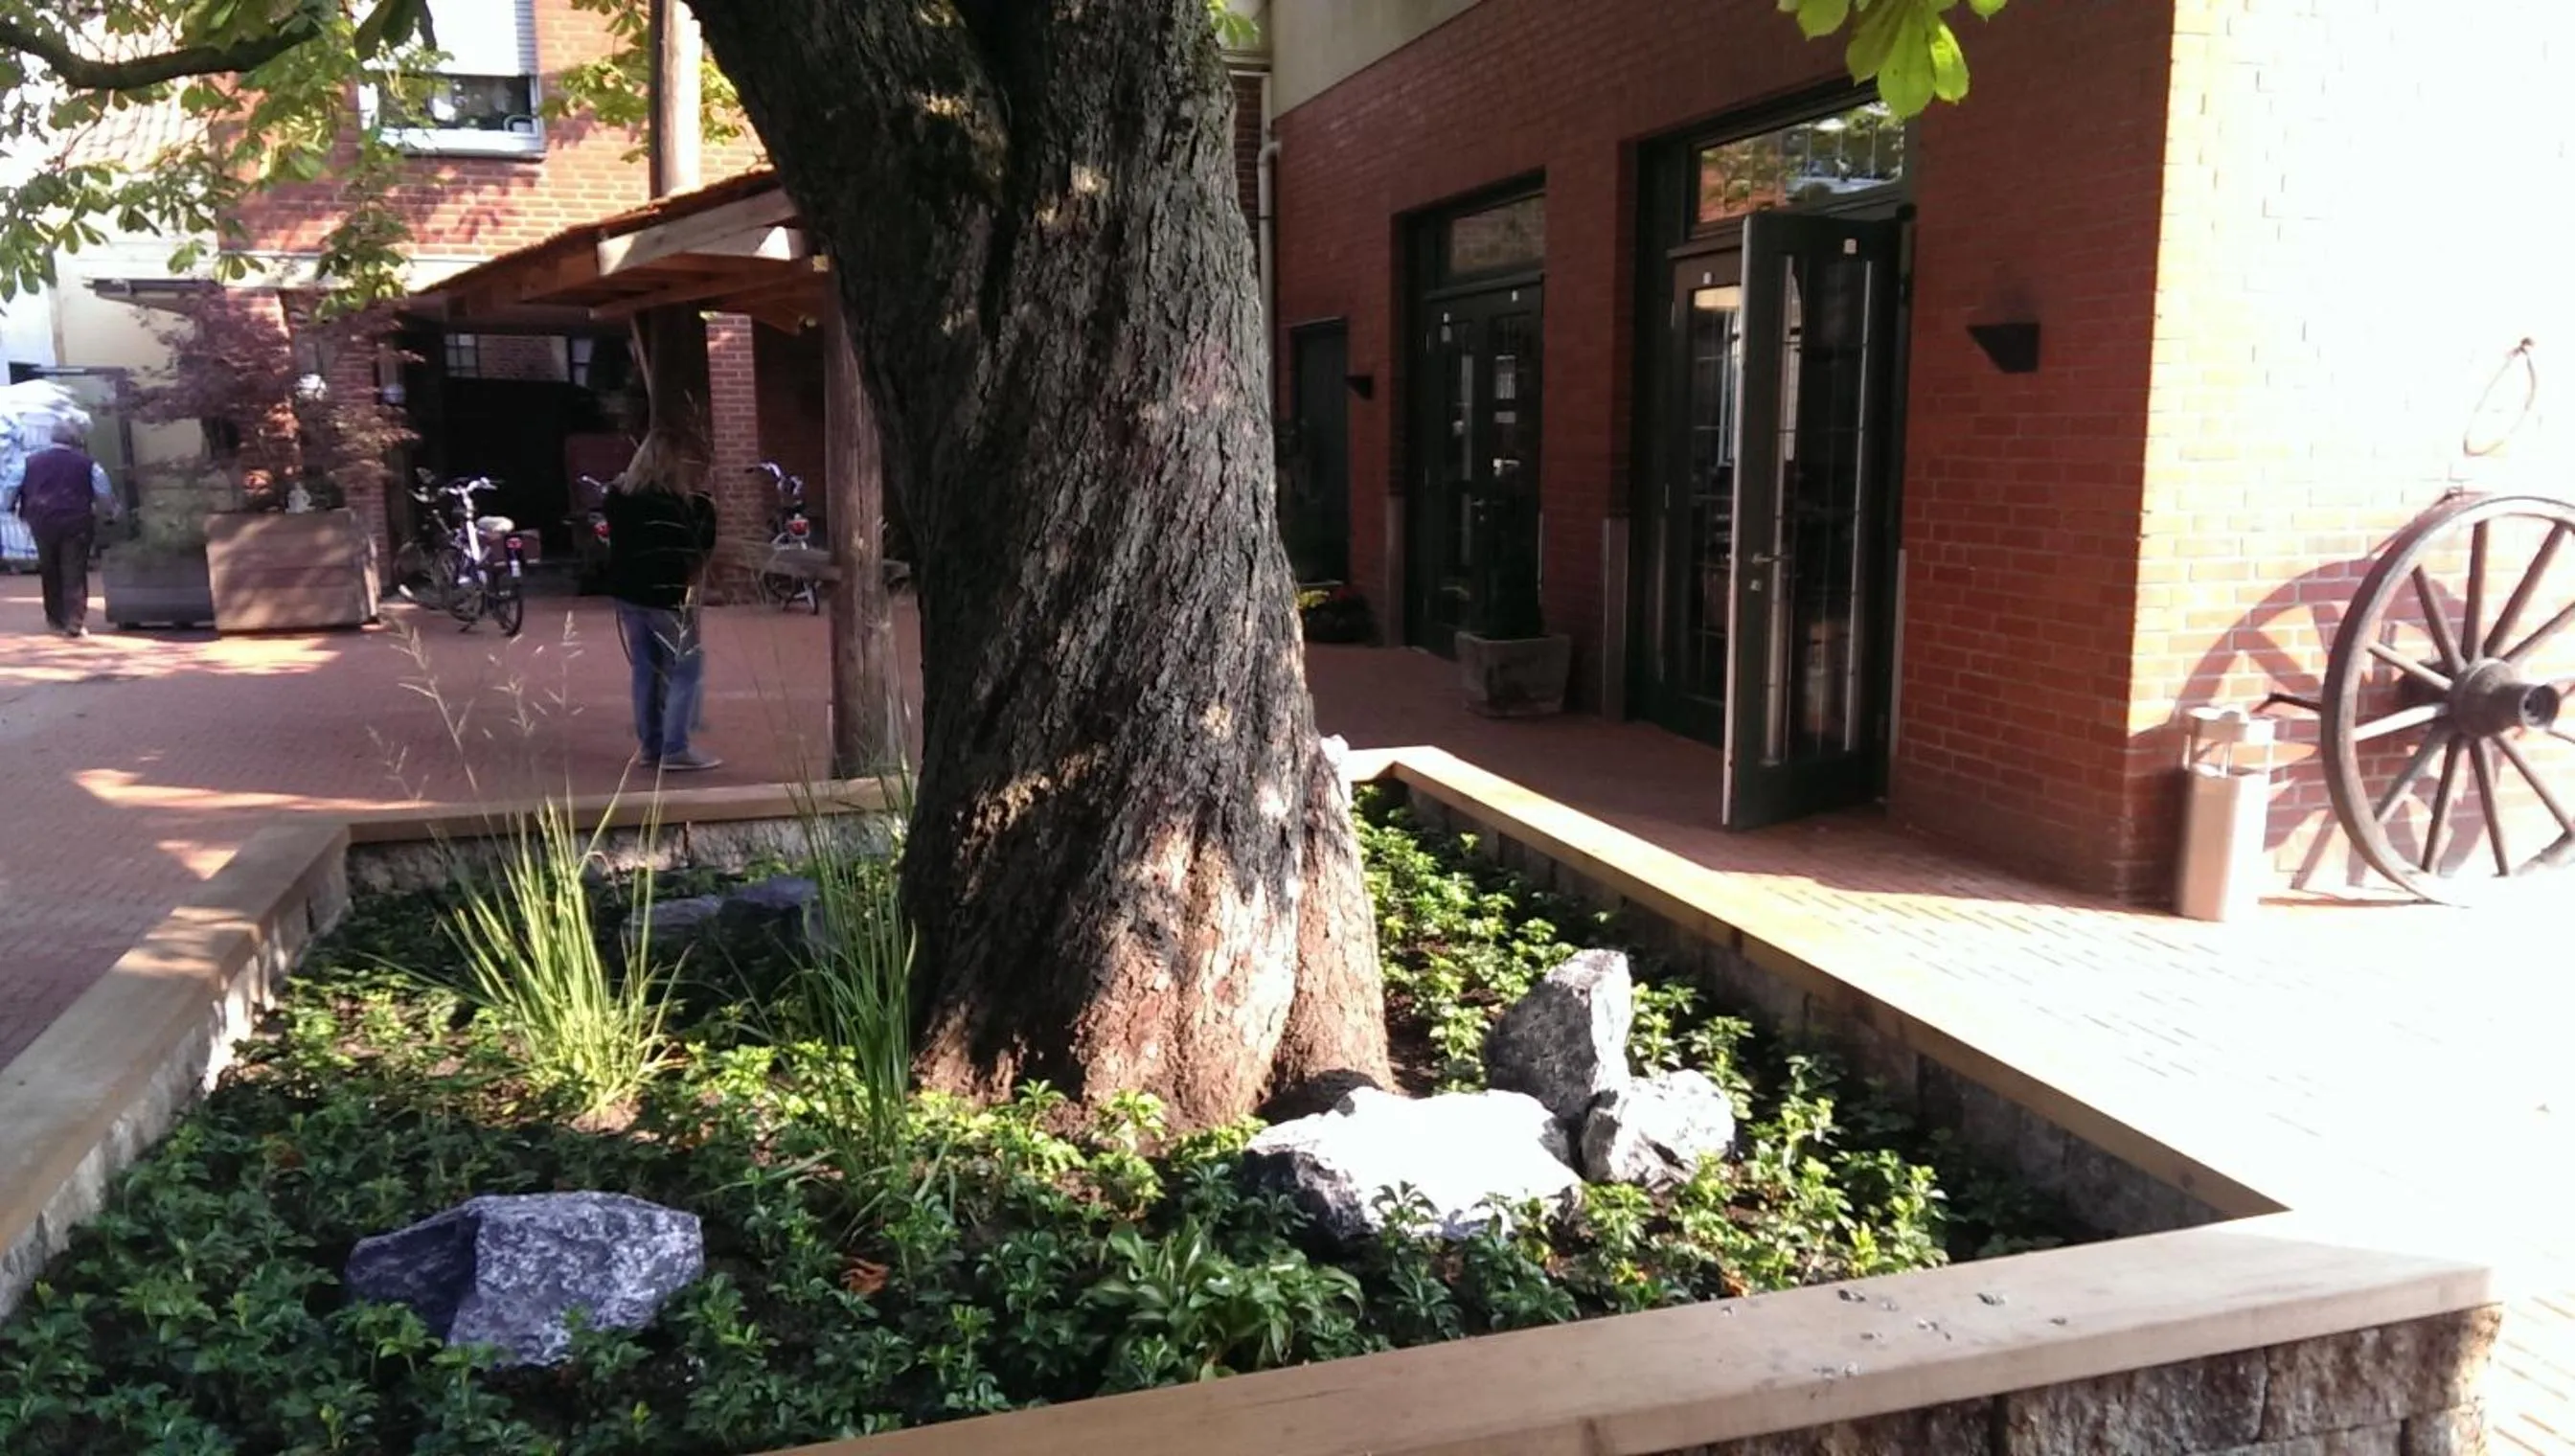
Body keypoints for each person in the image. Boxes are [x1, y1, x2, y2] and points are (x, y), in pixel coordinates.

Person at [603, 429, 722, 771]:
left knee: (645, 668)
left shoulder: (618, 497)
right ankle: (675, 748)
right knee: (686, 668)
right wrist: (705, 502)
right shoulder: (678, 505)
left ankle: (651, 747)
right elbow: (699, 546)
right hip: (665, 595)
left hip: (628, 593)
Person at [1, 420, 120, 638]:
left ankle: (55, 618)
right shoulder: (88, 463)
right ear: (75, 440)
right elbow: (102, 490)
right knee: (74, 569)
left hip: (42, 520)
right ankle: (74, 621)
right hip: (77, 521)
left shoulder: (29, 462)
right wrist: (111, 512)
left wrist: (8, 507)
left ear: (52, 439)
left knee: (49, 567)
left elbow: (11, 485)